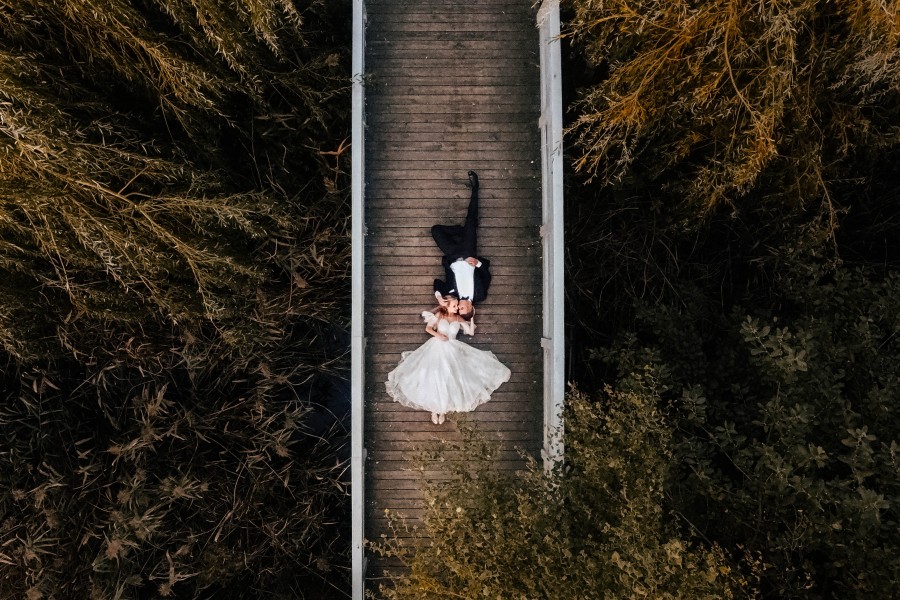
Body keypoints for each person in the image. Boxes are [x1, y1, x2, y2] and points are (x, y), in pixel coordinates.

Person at [384, 305, 510, 424]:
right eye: (454, 305)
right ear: (448, 306)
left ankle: (442, 410)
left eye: (456, 306)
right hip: (437, 345)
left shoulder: (458, 318)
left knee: (449, 377)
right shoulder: (440, 315)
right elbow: (428, 328)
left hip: (452, 348)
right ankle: (434, 410)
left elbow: (470, 332)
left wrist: (472, 318)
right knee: (434, 375)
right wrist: (438, 335)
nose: (456, 307)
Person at [432, 171, 491, 322]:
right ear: (471, 308)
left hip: (452, 255)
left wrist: (439, 297)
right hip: (467, 251)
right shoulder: (480, 295)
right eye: (462, 309)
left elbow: (438, 282)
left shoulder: (453, 296)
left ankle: (460, 230)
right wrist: (477, 263)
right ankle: (475, 188)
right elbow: (487, 275)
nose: (458, 307)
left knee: (436, 230)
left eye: (458, 309)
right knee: (471, 221)